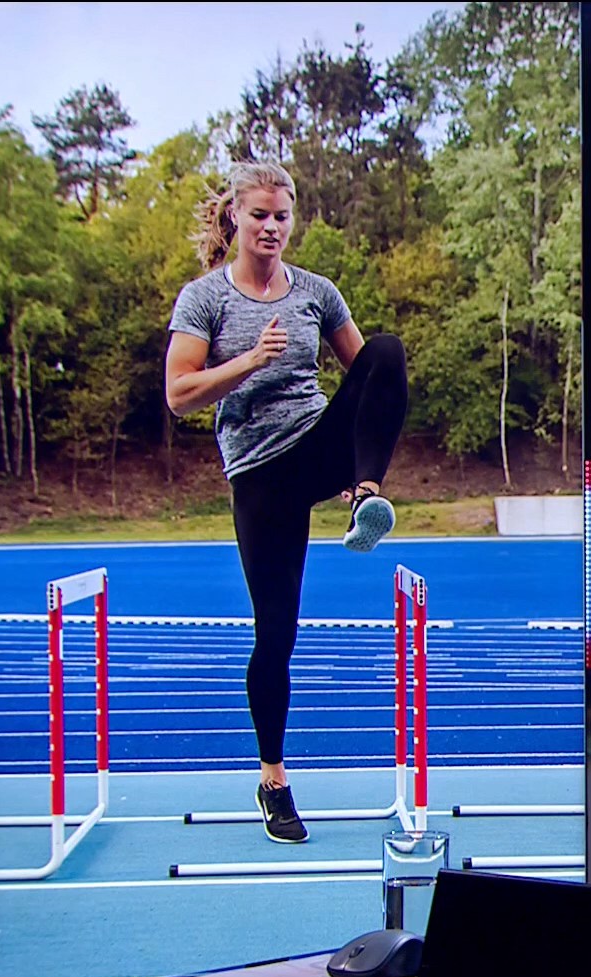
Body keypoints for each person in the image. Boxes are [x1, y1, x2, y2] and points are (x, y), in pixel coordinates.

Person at [163, 162, 408, 845]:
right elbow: (178, 395)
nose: (271, 227)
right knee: (277, 633)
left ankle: (365, 496)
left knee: (388, 351)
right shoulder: (205, 299)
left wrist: (360, 452)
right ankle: (273, 780)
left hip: (316, 446)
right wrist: (250, 359)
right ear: (235, 218)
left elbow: (369, 377)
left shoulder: (317, 292)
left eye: (282, 216)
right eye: (260, 215)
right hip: (260, 475)